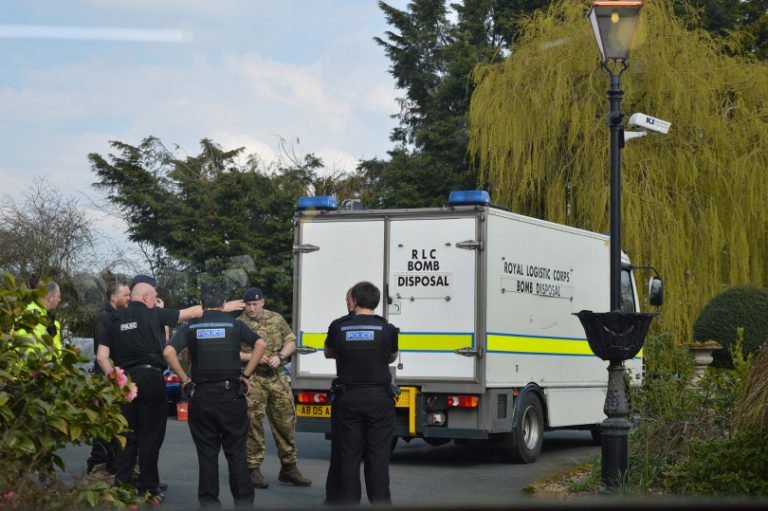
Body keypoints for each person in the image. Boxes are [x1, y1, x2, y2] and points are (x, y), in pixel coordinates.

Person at [96, 274, 243, 499]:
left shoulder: (113, 319)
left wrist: (117, 379)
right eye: (154, 297)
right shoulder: (155, 313)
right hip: (150, 380)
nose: (156, 301)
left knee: (127, 436)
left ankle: (121, 488)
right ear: (146, 297)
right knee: (150, 438)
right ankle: (148, 489)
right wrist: (220, 309)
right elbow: (193, 312)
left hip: (124, 382)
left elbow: (101, 356)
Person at [163, 283, 267, 508]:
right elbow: (261, 344)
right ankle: (244, 503)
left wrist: (185, 379)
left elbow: (169, 351)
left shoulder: (191, 327)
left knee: (207, 456)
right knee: (237, 454)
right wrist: (245, 374)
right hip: (232, 397)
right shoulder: (235, 325)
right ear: (223, 304)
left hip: (202, 398)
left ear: (201, 305)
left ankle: (210, 503)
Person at [324, 281, 399, 505]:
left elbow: (329, 353)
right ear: (375, 302)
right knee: (378, 458)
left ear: (354, 301)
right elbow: (392, 356)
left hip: (348, 399)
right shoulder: (387, 328)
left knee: (348, 457)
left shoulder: (339, 326)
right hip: (379, 399)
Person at [237, 287, 311, 489]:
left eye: (255, 304)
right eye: (248, 305)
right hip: (253, 379)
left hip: (276, 378)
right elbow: (231, 352)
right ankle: (253, 470)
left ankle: (289, 468)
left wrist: (280, 357)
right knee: (253, 425)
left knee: (285, 424)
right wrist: (250, 357)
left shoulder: (276, 319)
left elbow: (291, 342)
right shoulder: (238, 324)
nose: (252, 308)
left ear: (263, 302)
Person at [86, 281, 130, 475]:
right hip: (106, 377)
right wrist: (114, 378)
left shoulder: (117, 316)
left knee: (115, 425)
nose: (129, 298)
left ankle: (113, 467)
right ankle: (98, 467)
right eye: (126, 295)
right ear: (114, 297)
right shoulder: (105, 318)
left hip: (114, 376)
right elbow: (103, 354)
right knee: (104, 425)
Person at [16, 280, 62, 358]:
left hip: (49, 369)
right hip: (32, 369)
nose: (59, 300)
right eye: (58, 296)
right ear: (51, 298)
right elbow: (24, 349)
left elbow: (55, 351)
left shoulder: (52, 321)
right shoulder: (31, 315)